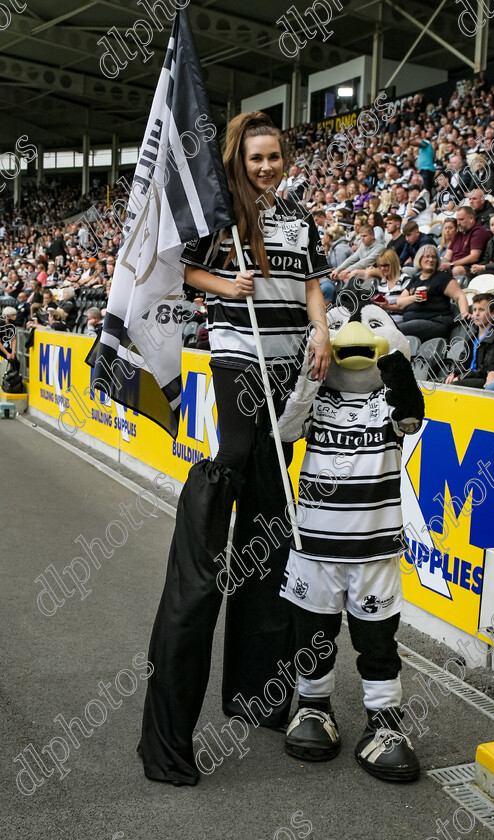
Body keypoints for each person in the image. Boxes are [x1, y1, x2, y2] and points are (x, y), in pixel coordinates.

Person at [139, 111, 331, 787]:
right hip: (238, 355)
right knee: (238, 456)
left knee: (273, 512)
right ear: (237, 160)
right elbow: (182, 274)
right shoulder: (220, 217)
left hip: (289, 364)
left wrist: (323, 335)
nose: (266, 166)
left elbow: (313, 282)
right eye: (255, 158)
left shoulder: (299, 215)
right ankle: (206, 511)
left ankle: (259, 689)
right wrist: (228, 285)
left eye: (274, 155)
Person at [397, 244, 469, 341]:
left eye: (434, 257)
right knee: (388, 328)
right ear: (419, 259)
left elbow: (460, 295)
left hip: (435, 321)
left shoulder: (442, 277)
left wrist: (465, 313)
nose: (431, 260)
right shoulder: (415, 279)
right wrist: (414, 297)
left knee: (395, 331)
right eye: (427, 256)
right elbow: (400, 303)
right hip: (412, 320)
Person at [446, 294, 494, 388]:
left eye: (481, 310)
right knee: (436, 382)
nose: (476, 314)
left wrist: (461, 377)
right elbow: (463, 359)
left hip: (482, 379)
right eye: (474, 310)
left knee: (454, 386)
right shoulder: (472, 333)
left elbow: (487, 368)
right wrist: (454, 373)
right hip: (468, 376)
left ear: (493, 313)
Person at [441, 206, 491, 281]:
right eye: (457, 220)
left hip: (471, 267)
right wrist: (440, 264)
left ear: (471, 219)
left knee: (457, 270)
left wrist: (452, 264)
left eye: (461, 220)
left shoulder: (479, 232)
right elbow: (448, 256)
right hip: (454, 266)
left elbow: (474, 257)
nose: (458, 223)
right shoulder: (458, 234)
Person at [368, 248, 410, 323]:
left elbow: (409, 308)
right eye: (380, 266)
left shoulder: (405, 280)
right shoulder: (382, 283)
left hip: (400, 321)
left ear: (394, 264)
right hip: (382, 320)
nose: (383, 268)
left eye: (385, 265)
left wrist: (389, 307)